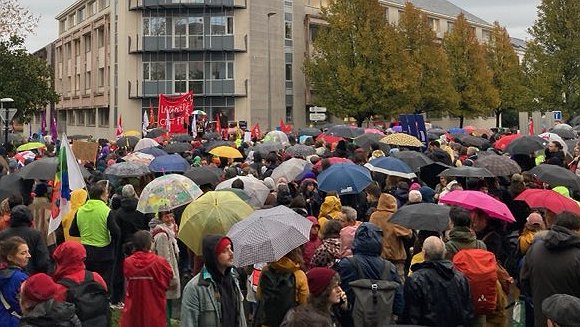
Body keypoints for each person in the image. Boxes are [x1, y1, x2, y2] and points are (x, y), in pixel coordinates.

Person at [334, 222, 404, 327]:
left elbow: (337, 296)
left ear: (356, 240)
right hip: (382, 321)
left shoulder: (346, 265)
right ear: (380, 242)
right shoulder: (390, 268)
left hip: (351, 321)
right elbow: (399, 304)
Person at [520, 212, 580, 326]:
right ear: (576, 230)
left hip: (542, 317)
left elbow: (524, 281)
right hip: (571, 321)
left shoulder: (534, 249)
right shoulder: (577, 256)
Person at [401, 236, 474, 326]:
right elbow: (468, 312)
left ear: (424, 253)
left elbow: (410, 316)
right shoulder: (461, 278)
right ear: (445, 253)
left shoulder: (415, 280)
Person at [180, 235, 246, 327]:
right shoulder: (195, 288)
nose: (231, 253)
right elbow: (188, 322)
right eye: (225, 251)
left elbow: (240, 319)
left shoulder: (234, 281)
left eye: (231, 249)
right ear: (213, 256)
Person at [69, 180, 120, 290]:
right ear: (102, 194)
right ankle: (104, 302)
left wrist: (85, 233)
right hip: (104, 252)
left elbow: (72, 231)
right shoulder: (106, 211)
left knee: (88, 281)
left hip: (86, 252)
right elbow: (116, 232)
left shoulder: (80, 210)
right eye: (107, 194)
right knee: (104, 283)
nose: (108, 196)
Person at [120, 231, 173, 327]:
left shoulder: (128, 262)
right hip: (155, 308)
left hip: (133, 308)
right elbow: (168, 280)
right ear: (149, 244)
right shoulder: (160, 262)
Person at [281, 267, 345, 327]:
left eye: (338, 285)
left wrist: (344, 307)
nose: (339, 290)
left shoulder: (327, 310)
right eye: (334, 287)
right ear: (323, 291)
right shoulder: (313, 321)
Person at [368, 193, 412, 280]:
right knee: (398, 281)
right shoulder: (395, 216)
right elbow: (407, 233)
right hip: (395, 255)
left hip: (379, 254)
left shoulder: (374, 216)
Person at [149, 210, 180, 325]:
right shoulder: (162, 235)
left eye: (171, 215)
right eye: (167, 216)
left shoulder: (168, 231)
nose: (170, 219)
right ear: (161, 218)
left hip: (165, 272)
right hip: (165, 274)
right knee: (166, 301)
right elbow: (164, 258)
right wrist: (171, 276)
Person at [0, 205, 50, 274]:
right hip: (31, 277)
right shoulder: (35, 234)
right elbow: (43, 262)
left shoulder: (2, 235)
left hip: (6, 276)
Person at [0, 236, 30, 327]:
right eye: (23, 253)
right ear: (10, 257)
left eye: (28, 251)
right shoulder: (20, 278)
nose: (29, 255)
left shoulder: (3, 274)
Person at [28, 182, 57, 251]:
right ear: (45, 193)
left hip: (34, 239)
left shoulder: (29, 207)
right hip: (49, 239)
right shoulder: (49, 206)